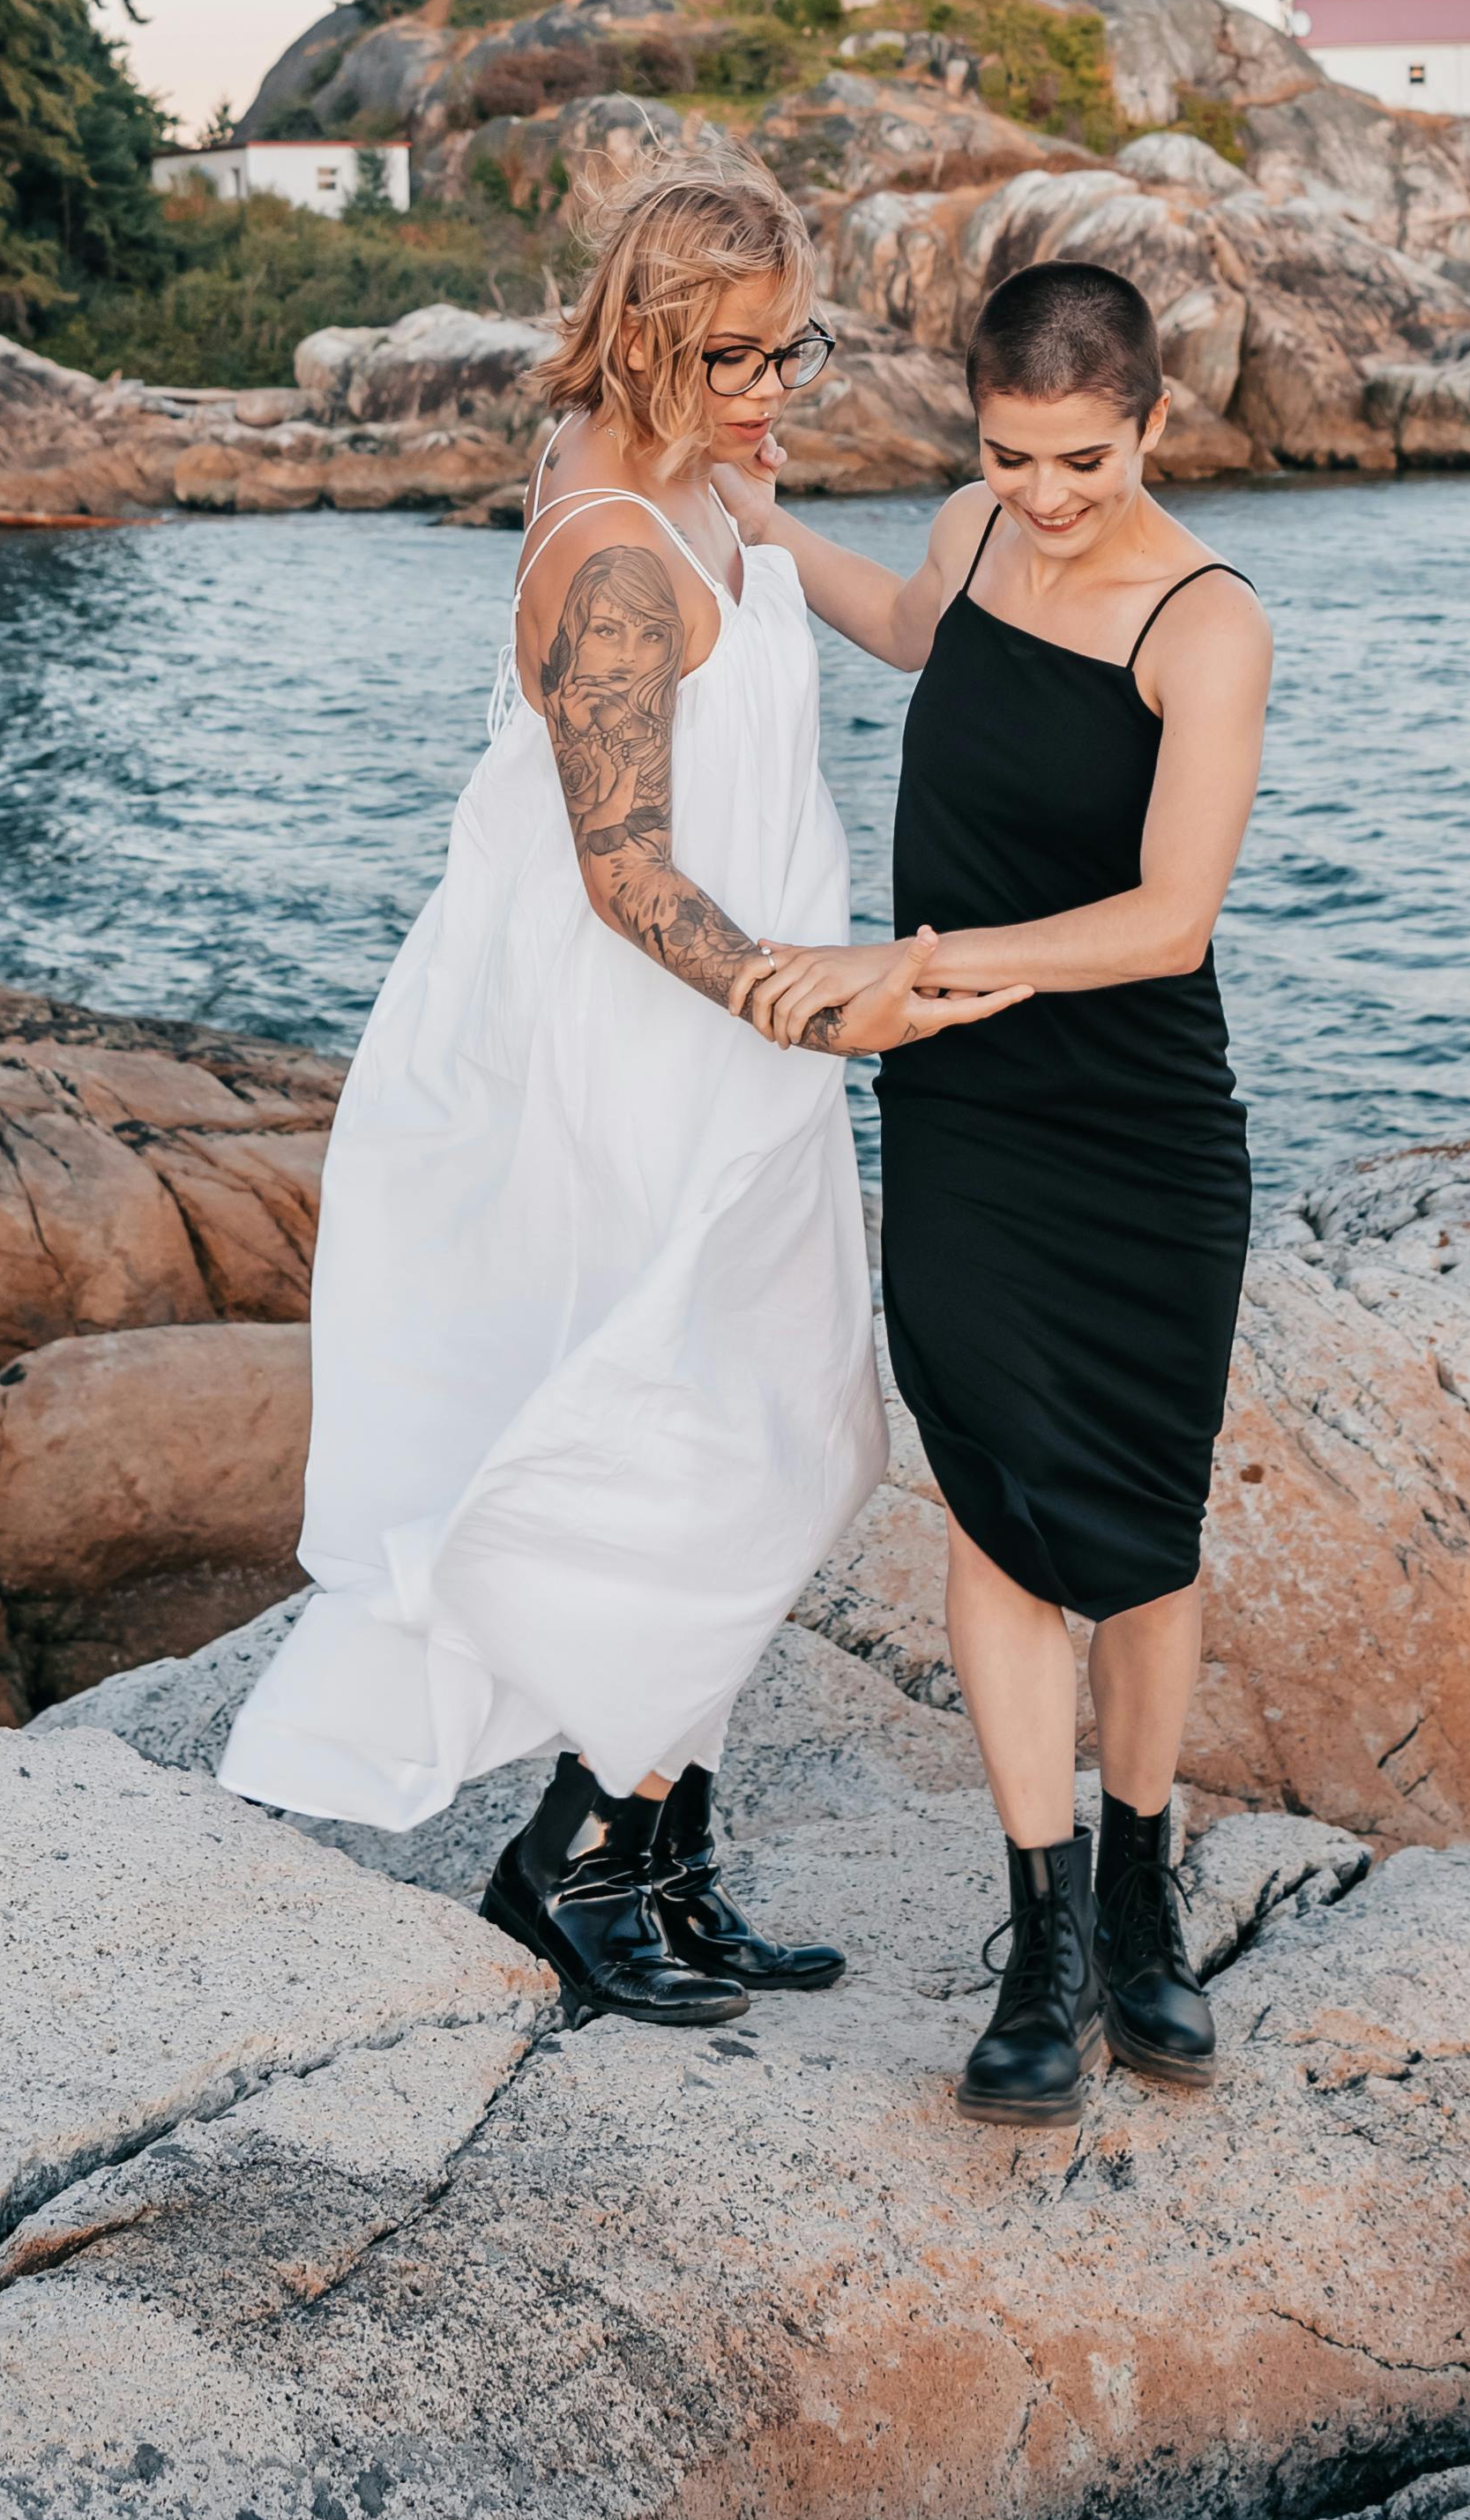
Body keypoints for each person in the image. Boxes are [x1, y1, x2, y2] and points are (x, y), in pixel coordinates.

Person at [218, 165, 1017, 2030]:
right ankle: (574, 1859)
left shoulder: (704, 471)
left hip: (741, 1038)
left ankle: (665, 1845)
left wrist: (1038, 497)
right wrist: (822, 1005)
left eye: (791, 342)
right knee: (698, 1437)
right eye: (735, 352)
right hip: (638, 1047)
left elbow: (895, 630)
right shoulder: (605, 552)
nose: (774, 385)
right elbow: (625, 870)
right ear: (651, 337)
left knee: (787, 1430)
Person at [741, 257, 1270, 2123]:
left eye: (1081, 457)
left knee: (1138, 1532)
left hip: (1135, 1126)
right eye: (1010, 450)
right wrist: (748, 512)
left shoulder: (1204, 620)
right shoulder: (969, 525)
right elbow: (902, 623)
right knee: (992, 1506)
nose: (1044, 492)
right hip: (965, 1110)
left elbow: (1169, 916)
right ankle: (1041, 1931)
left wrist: (940, 968)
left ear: (1151, 418)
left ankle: (1143, 1897)